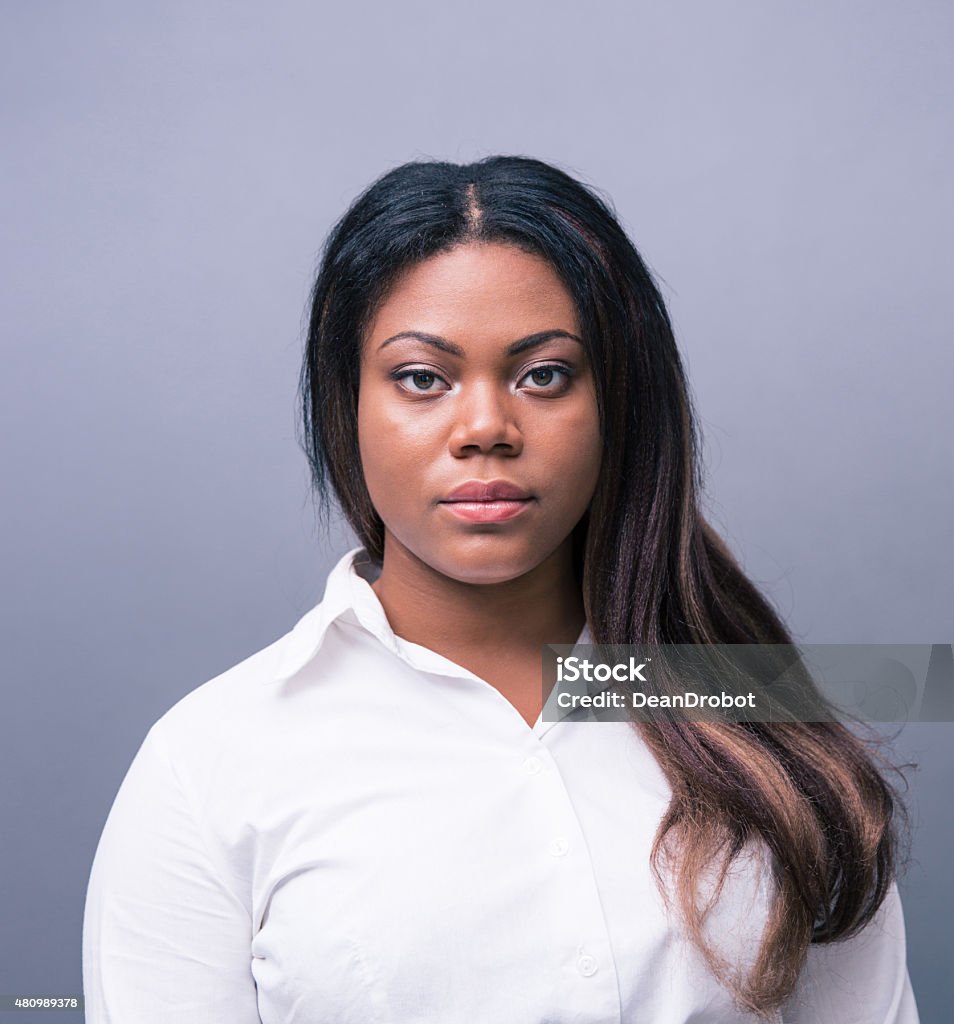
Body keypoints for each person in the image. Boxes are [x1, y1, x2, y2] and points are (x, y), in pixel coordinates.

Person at [82, 156, 920, 1023]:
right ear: (348, 405)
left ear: (619, 402)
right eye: (421, 378)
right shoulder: (209, 764)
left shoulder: (756, 723)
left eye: (544, 374)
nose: (485, 428)